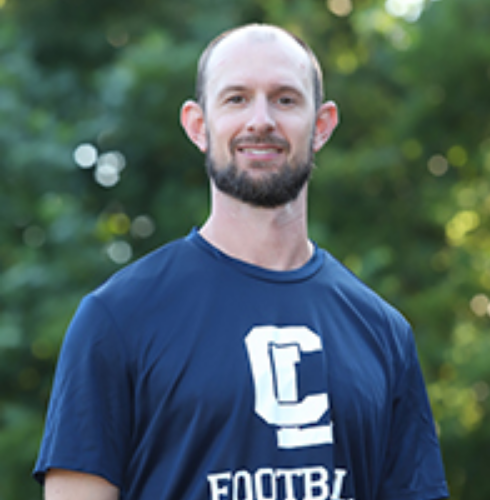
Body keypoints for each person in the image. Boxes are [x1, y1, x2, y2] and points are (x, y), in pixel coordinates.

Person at [34, 23, 449, 500]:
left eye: (285, 99)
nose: (261, 121)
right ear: (197, 125)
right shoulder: (117, 318)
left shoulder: (383, 333)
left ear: (322, 126)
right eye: (235, 99)